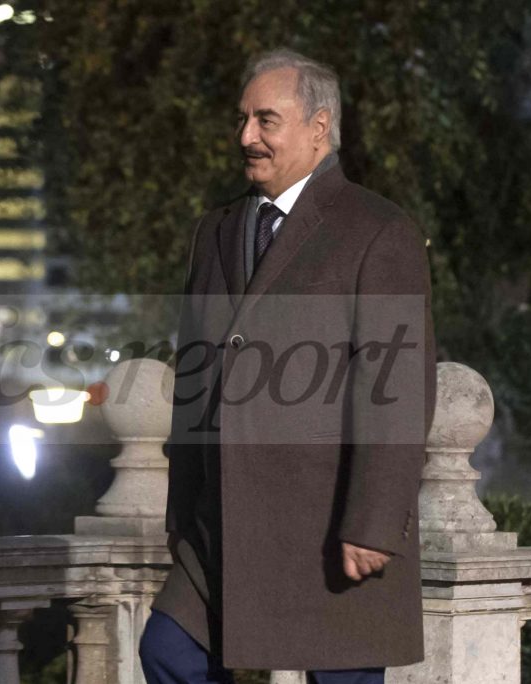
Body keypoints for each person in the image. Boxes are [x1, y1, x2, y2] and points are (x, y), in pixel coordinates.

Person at [138, 48, 437, 684]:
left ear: (319, 127)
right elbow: (197, 373)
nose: (245, 136)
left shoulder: (379, 230)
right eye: (243, 119)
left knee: (342, 679)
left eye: (266, 120)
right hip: (218, 527)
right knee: (168, 650)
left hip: (329, 524)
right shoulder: (212, 230)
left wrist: (375, 522)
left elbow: (399, 389)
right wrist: (181, 510)